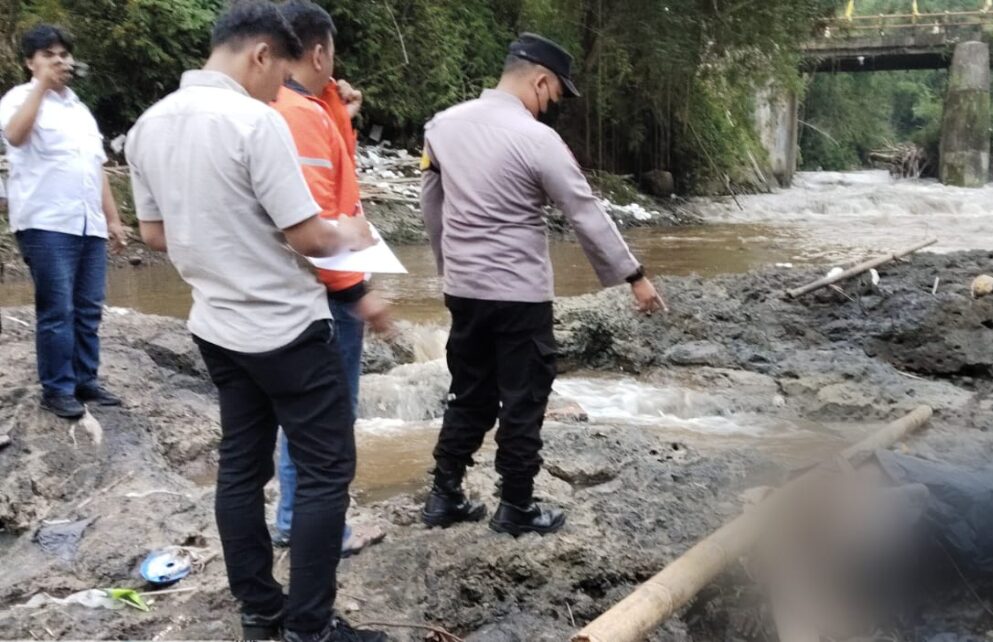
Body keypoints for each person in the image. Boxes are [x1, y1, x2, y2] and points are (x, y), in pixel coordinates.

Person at [125, 3, 386, 641]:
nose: (282, 90)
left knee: (241, 468)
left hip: (215, 326)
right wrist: (352, 229)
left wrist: (220, 235)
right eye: (279, 74)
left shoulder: (148, 125)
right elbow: (310, 237)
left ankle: (260, 612)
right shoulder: (254, 121)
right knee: (326, 473)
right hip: (286, 328)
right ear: (261, 54)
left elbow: (154, 235)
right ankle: (310, 628)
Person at [420, 33, 668, 537]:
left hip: (464, 289)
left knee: (469, 391)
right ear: (539, 80)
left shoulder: (442, 126)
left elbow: (431, 205)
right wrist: (634, 276)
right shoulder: (537, 140)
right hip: (518, 295)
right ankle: (515, 507)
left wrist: (449, 264)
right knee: (524, 397)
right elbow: (584, 212)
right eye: (553, 96)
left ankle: (444, 496)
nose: (550, 107)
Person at [269, 0, 392, 557]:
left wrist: (339, 111)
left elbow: (335, 170)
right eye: (333, 54)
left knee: (301, 417)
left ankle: (294, 516)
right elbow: (317, 220)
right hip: (324, 292)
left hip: (294, 291)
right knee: (326, 420)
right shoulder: (299, 115)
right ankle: (316, 527)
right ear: (319, 51)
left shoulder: (291, 105)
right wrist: (358, 294)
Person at [0, 24, 127, 419]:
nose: (61, 60)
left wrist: (114, 219)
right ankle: (56, 388)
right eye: (50, 54)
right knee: (58, 309)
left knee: (89, 307)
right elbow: (15, 137)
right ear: (30, 62)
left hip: (87, 223)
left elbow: (97, 167)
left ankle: (85, 379)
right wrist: (40, 86)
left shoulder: (80, 110)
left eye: (65, 54)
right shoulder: (17, 99)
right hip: (45, 222)